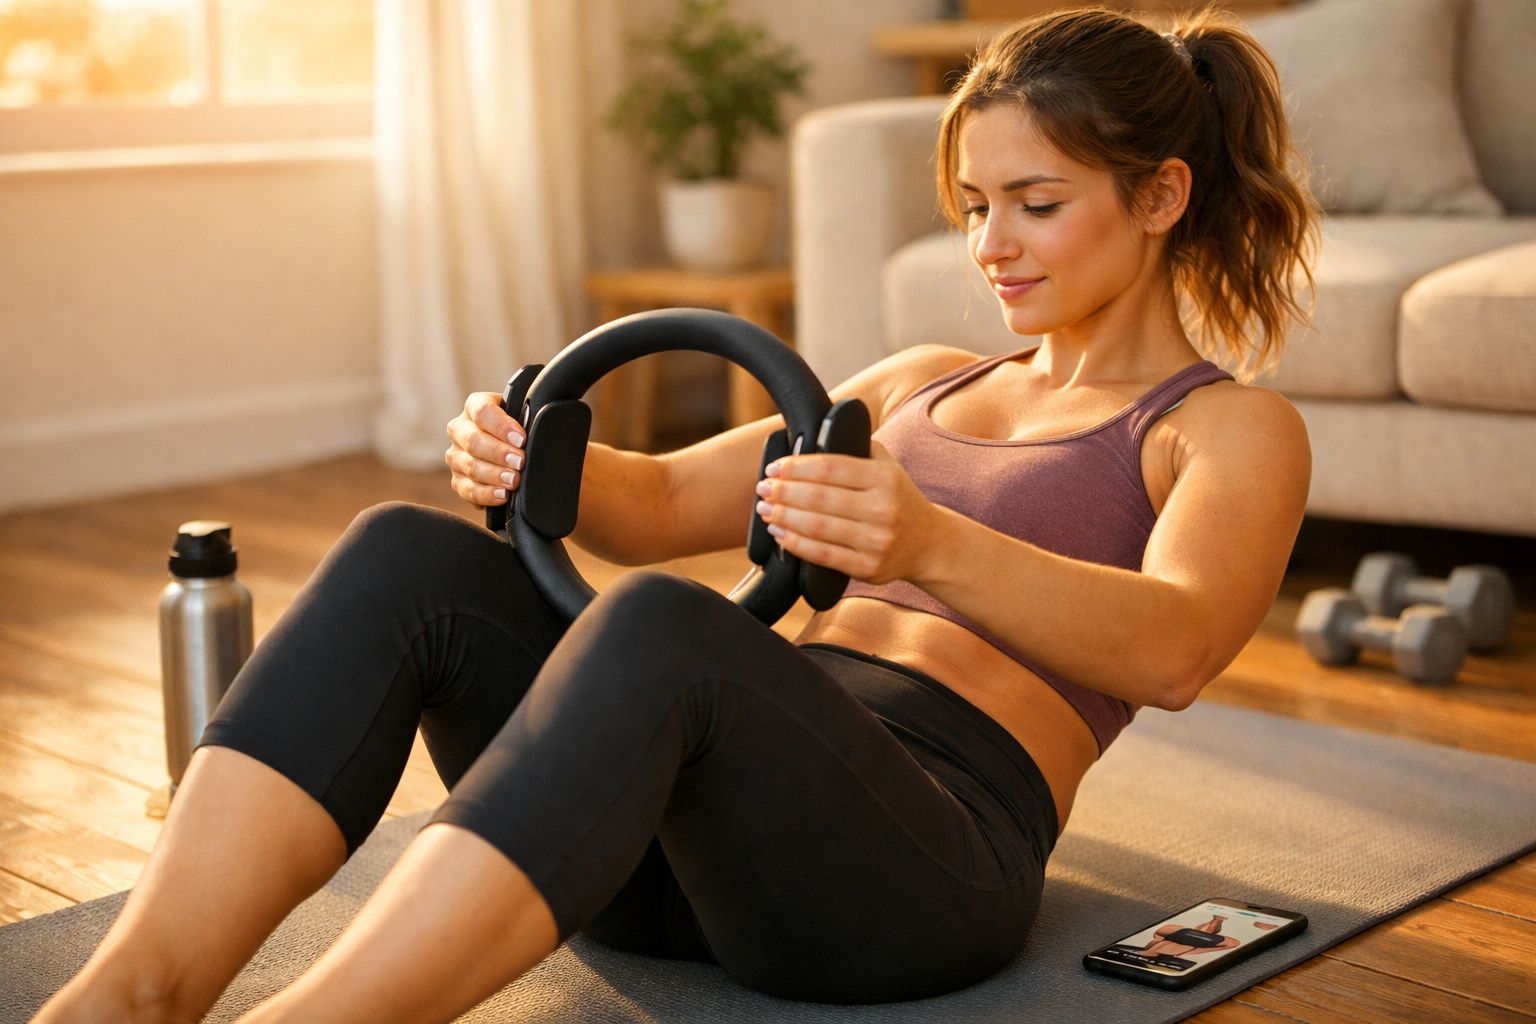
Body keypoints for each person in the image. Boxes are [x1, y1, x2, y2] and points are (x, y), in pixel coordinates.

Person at [36, 6, 1316, 1022]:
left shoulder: (1225, 426)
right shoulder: (915, 385)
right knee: (405, 554)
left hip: (915, 875)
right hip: (678, 849)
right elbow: (645, 508)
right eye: (976, 207)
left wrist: (927, 542)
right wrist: (526, 456)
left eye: (1038, 204)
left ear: (1160, 196)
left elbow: (1177, 647)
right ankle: (126, 996)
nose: (993, 245)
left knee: (667, 628)